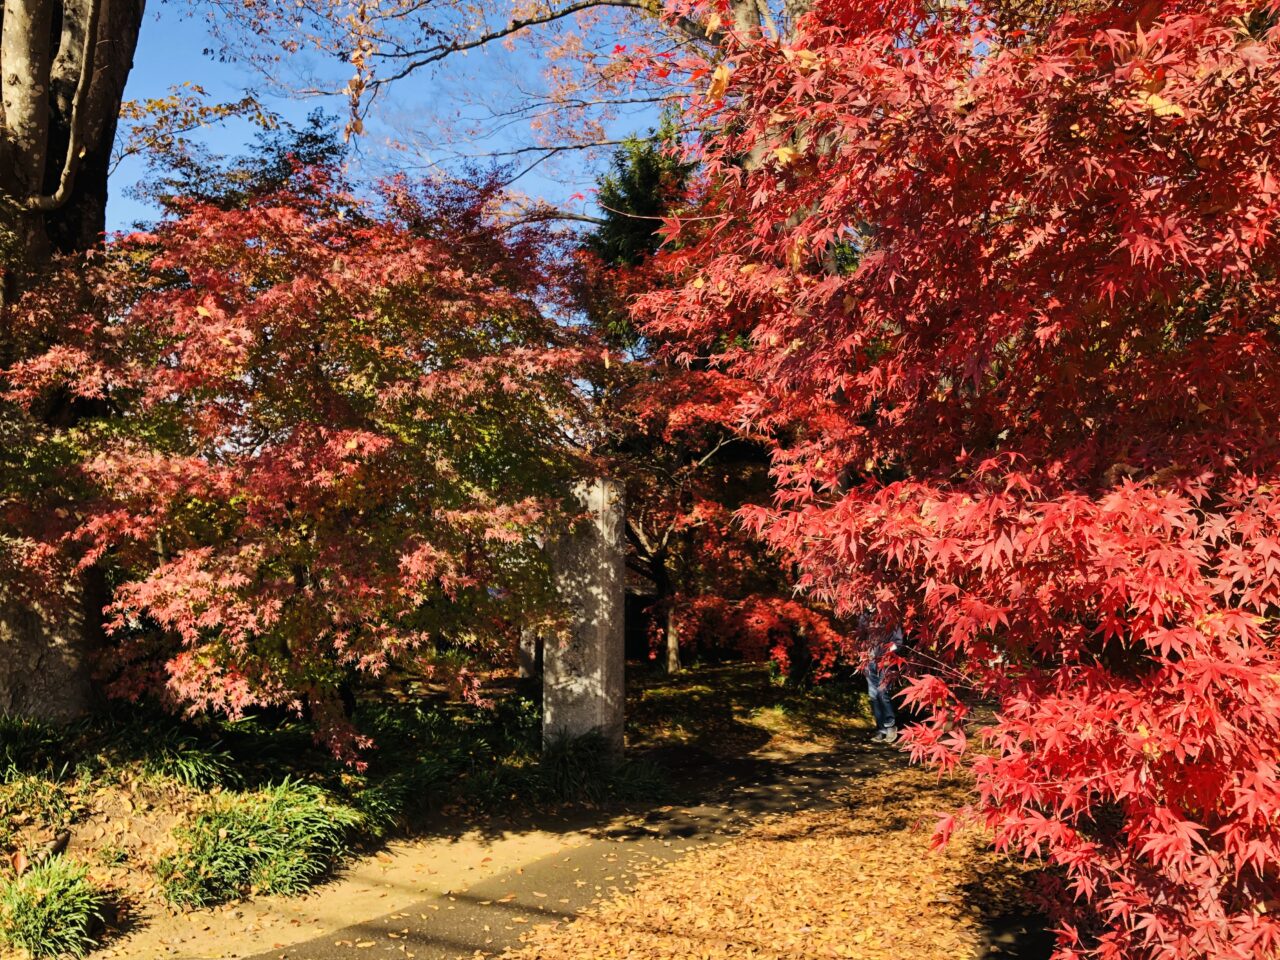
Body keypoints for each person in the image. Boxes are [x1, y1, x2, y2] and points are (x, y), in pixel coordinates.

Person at [862, 615, 903, 744]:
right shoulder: (864, 616)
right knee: (873, 696)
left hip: (885, 663)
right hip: (869, 663)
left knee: (882, 692)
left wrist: (887, 654)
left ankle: (890, 726)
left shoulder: (891, 616)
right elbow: (860, 638)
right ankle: (881, 730)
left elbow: (898, 642)